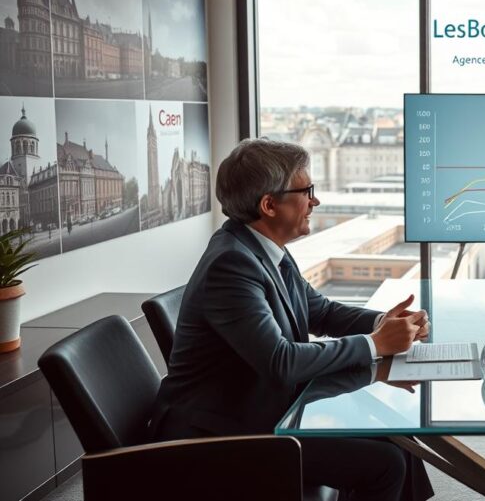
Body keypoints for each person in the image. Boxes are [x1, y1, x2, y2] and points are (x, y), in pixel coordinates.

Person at [148, 139, 433, 501]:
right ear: (269, 205)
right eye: (306, 191)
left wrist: (385, 323)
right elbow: (280, 361)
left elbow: (322, 312)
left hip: (255, 410)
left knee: (396, 436)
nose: (315, 201)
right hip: (218, 436)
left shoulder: (264, 250)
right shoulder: (231, 265)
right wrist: (376, 344)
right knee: (385, 463)